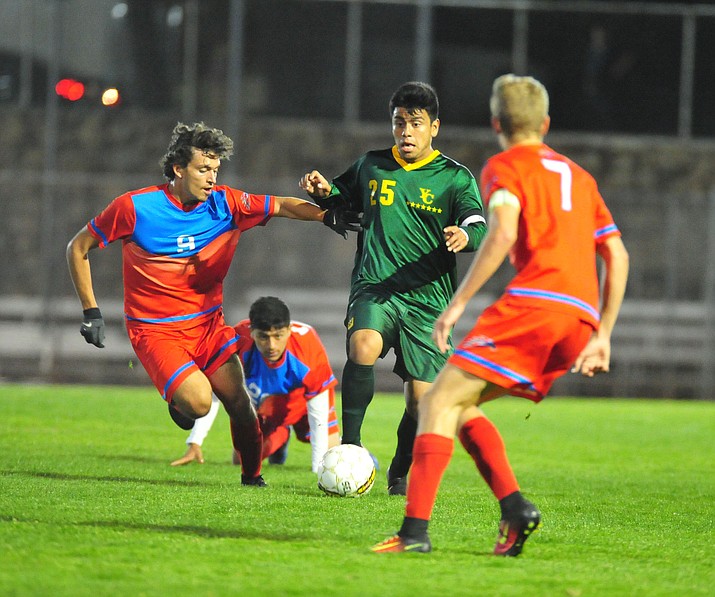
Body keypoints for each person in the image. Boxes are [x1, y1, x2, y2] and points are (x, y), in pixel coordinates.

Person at [371, 74, 629, 554]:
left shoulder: (505, 165)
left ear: (495, 123)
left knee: (434, 403)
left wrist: (458, 304)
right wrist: (604, 334)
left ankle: (413, 535)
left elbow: (503, 230)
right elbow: (616, 253)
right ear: (545, 123)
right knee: (458, 403)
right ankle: (514, 509)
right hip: (579, 320)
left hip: (534, 306)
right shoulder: (579, 175)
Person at [66, 122, 358, 488]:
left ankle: (252, 478)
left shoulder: (226, 203)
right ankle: (180, 402)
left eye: (215, 170)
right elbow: (77, 248)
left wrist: (325, 215)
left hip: (207, 327)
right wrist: (91, 311)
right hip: (156, 332)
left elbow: (282, 205)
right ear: (178, 169)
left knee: (239, 403)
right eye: (203, 170)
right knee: (201, 403)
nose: (211, 178)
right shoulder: (135, 207)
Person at [300, 81, 487, 495]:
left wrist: (464, 236)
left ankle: (400, 470)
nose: (406, 131)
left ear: (434, 127)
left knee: (421, 404)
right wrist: (322, 190)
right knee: (362, 344)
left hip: (428, 302)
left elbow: (478, 223)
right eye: (399, 122)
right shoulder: (371, 164)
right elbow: (339, 194)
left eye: (415, 123)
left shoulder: (454, 178)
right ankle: (351, 447)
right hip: (375, 286)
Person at [170, 296, 340, 472]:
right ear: (252, 332)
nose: (272, 345)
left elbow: (318, 416)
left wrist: (318, 471)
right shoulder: (237, 342)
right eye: (263, 337)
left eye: (278, 336)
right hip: (266, 407)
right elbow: (215, 393)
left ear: (289, 330)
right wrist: (195, 442)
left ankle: (366, 458)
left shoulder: (308, 349)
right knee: (241, 459)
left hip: (302, 402)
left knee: (334, 454)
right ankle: (280, 438)